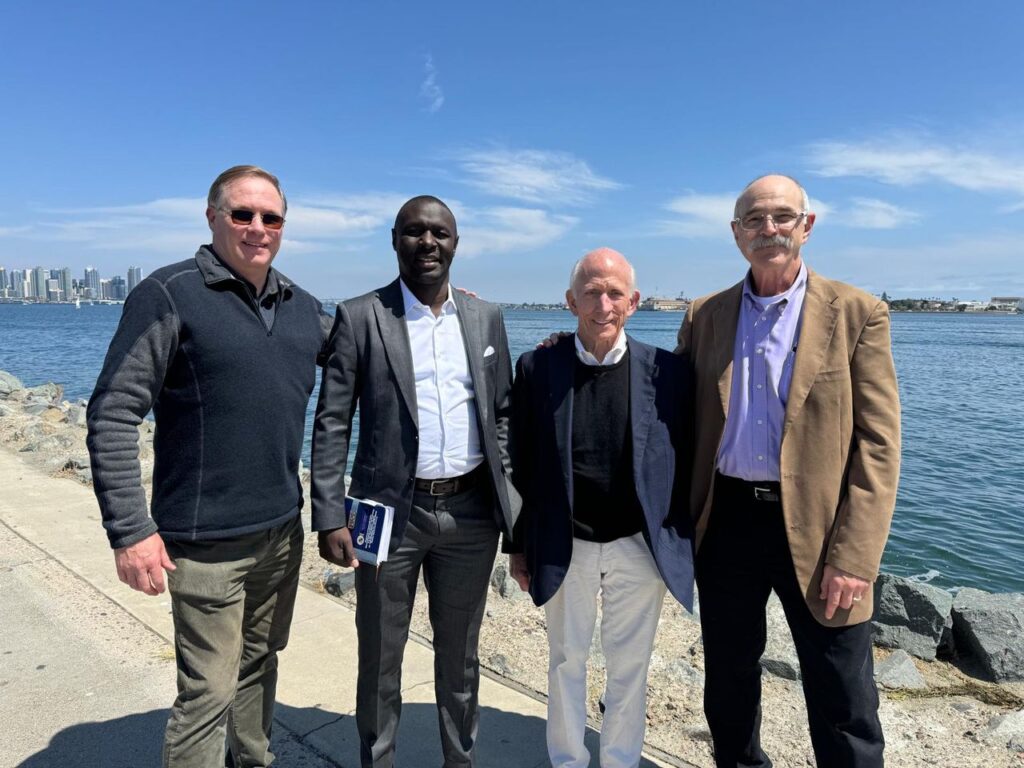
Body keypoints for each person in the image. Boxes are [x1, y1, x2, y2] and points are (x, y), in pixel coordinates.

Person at [86, 165, 331, 767]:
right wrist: (130, 530)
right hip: (203, 544)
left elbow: (369, 343)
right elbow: (113, 412)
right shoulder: (169, 294)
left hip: (280, 533)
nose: (257, 228)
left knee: (259, 665)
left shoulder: (302, 306)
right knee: (208, 694)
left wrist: (436, 305)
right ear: (212, 217)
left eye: (271, 218)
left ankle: (253, 761)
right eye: (242, 214)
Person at [677, 174, 901, 767]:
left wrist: (856, 556)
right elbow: (663, 401)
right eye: (754, 219)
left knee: (842, 692)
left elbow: (879, 445)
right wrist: (571, 347)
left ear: (807, 225)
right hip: (725, 523)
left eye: (782, 216)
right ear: (736, 233)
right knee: (728, 679)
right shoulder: (705, 315)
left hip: (820, 530)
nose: (768, 229)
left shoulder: (857, 313)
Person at [310, 195, 519, 768]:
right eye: (414, 231)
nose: (428, 242)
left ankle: (460, 761)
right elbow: (333, 420)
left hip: (471, 516)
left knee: (461, 659)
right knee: (380, 657)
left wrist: (510, 500)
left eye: (440, 233)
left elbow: (502, 412)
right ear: (395, 240)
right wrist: (328, 513)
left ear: (456, 243)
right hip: (385, 518)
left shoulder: (485, 317)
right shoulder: (361, 316)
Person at [508, 247, 694, 768]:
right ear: (571, 301)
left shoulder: (669, 373)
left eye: (615, 293)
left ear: (633, 302)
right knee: (565, 661)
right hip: (564, 542)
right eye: (591, 293)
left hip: (638, 546)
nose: (603, 305)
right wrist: (518, 547)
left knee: (630, 667)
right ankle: (568, 760)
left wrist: (683, 539)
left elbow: (688, 456)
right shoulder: (537, 367)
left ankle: (620, 761)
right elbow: (520, 463)